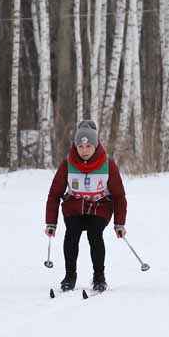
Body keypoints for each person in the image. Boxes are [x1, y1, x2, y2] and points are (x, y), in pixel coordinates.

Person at [44, 120, 127, 293]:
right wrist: (51, 222)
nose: (84, 151)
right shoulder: (67, 163)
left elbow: (119, 196)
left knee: (94, 234)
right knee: (71, 234)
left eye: (89, 146)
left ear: (95, 146)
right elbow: (54, 194)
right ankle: (69, 276)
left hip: (100, 207)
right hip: (74, 206)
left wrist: (119, 223)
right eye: (81, 147)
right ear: (76, 146)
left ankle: (99, 277)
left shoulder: (108, 164)